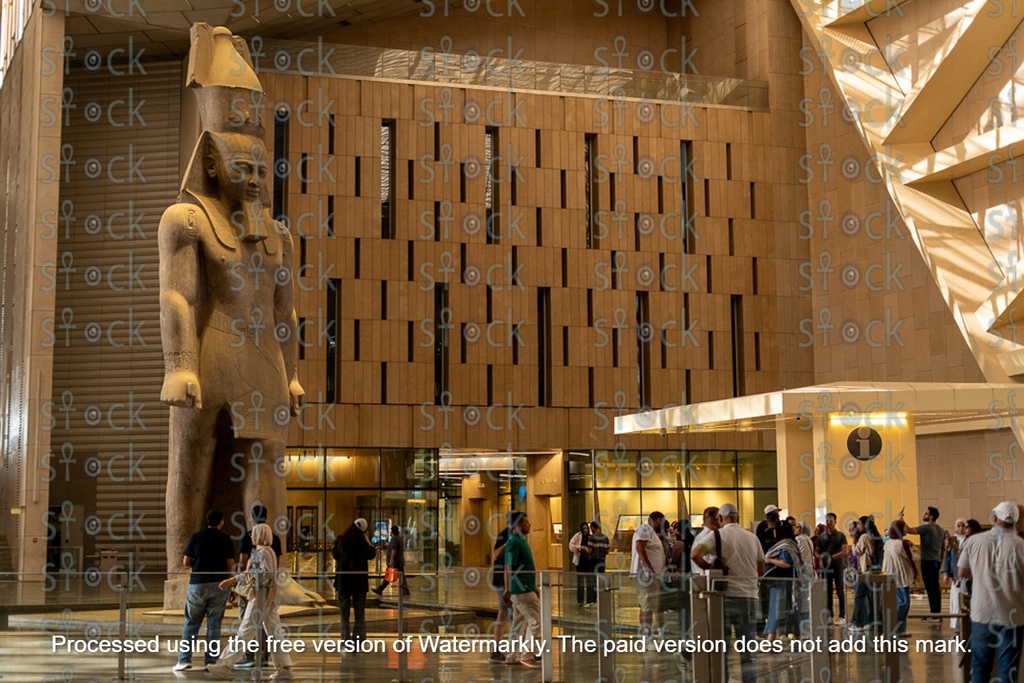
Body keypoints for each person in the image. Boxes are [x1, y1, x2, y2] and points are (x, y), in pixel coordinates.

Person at [159, 24, 305, 571]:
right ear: (213, 163)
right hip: (209, 351)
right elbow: (177, 296)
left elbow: (284, 311)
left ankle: (271, 565)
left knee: (268, 459)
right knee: (193, 457)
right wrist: (180, 365)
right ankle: (181, 568)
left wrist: (291, 373)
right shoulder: (187, 219)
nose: (255, 179)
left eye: (262, 170)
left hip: (264, 356)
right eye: (243, 167)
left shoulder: (278, 234)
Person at [692, 503, 764, 683]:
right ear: (738, 518)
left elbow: (695, 555)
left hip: (725, 598)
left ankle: (721, 679)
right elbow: (761, 570)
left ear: (721, 519)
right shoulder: (752, 538)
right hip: (749, 597)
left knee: (721, 648)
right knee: (748, 649)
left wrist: (709, 568)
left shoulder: (717, 535)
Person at [208, 523, 292, 681]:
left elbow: (259, 574)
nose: (251, 537)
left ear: (259, 535)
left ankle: (225, 664)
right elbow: (253, 572)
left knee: (246, 630)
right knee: (274, 633)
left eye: (253, 534)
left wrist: (233, 580)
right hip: (266, 596)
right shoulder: (266, 552)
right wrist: (232, 580)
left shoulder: (263, 553)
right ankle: (284, 667)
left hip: (261, 596)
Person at [958, 502, 1024, 682]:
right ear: (1016, 521)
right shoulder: (1021, 546)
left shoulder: (974, 541)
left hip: (982, 614)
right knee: (1008, 670)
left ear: (995, 518)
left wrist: (980, 574)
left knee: (980, 666)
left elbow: (962, 572)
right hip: (1012, 616)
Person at [174, 510, 236, 672]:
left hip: (197, 584)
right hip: (219, 584)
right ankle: (211, 660)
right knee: (214, 625)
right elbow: (230, 564)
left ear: (207, 521)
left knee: (192, 622)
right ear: (221, 521)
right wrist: (231, 585)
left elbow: (186, 561)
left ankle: (184, 660)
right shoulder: (225, 539)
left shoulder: (197, 536)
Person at [235, 504, 284, 670]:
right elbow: (277, 562)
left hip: (255, 587)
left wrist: (240, 581)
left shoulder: (251, 538)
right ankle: (264, 655)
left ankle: (248, 655)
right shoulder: (274, 538)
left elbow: (242, 562)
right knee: (266, 624)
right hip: (268, 587)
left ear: (252, 517)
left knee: (247, 622)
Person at [503, 512, 542, 668]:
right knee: (535, 622)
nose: (529, 524)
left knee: (518, 624)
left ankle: (512, 655)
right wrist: (508, 588)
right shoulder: (514, 542)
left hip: (524, 588)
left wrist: (533, 586)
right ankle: (527, 653)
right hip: (522, 590)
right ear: (518, 524)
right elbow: (508, 566)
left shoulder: (519, 541)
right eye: (526, 522)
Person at [332, 519, 377, 645]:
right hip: (359, 583)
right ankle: (359, 639)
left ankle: (346, 640)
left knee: (344, 615)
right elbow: (371, 554)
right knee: (360, 614)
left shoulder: (341, 540)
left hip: (343, 582)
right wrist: (369, 543)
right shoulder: (362, 542)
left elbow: (335, 555)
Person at [630, 511, 668, 639]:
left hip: (651, 576)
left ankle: (648, 635)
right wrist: (647, 566)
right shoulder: (645, 529)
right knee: (647, 607)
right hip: (647, 576)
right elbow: (640, 546)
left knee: (648, 606)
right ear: (658, 520)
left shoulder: (650, 532)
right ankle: (647, 637)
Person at [904, 506, 944, 622]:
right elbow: (943, 548)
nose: (924, 515)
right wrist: (940, 560)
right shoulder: (941, 530)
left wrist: (901, 519)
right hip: (936, 561)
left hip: (927, 561)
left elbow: (908, 530)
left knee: (930, 588)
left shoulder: (926, 528)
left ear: (931, 517)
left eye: (926, 513)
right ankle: (937, 613)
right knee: (935, 587)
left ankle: (935, 615)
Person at [487, 511, 518, 664]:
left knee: (505, 613)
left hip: (508, 579)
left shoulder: (516, 535)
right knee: (511, 613)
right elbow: (496, 555)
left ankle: (498, 649)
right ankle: (513, 651)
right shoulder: (505, 534)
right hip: (504, 580)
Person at [762, 520, 798, 642]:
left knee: (775, 609)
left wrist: (770, 560)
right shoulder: (791, 543)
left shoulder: (785, 545)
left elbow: (786, 563)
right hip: (786, 582)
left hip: (781, 583)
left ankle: (771, 638)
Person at [882, 519, 917, 638]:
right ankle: (894, 627)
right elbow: (914, 558)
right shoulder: (901, 544)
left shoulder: (888, 543)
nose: (906, 529)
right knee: (904, 604)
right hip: (900, 577)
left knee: (898, 603)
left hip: (889, 575)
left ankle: (899, 629)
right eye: (904, 527)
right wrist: (912, 546)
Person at [814, 512, 849, 625]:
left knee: (840, 591)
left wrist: (832, 557)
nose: (829, 523)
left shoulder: (840, 536)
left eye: (831, 520)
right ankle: (829, 615)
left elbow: (845, 551)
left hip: (838, 566)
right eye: (827, 520)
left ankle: (842, 615)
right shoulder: (821, 537)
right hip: (826, 567)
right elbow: (816, 551)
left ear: (835, 522)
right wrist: (820, 557)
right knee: (827, 591)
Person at [850, 515, 879, 633]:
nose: (858, 526)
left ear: (865, 525)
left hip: (866, 569)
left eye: (860, 524)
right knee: (868, 597)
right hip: (871, 568)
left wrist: (853, 541)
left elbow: (856, 551)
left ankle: (859, 623)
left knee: (859, 596)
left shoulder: (864, 537)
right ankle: (868, 622)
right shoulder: (873, 535)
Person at [942, 518, 966, 634]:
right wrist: (945, 573)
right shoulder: (952, 541)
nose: (961, 528)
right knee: (956, 602)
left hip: (966, 576)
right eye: (959, 526)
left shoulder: (969, 539)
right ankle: (957, 627)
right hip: (956, 577)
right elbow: (947, 558)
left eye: (963, 525)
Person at [372, 526, 410, 597]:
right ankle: (405, 590)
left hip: (395, 562)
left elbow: (393, 550)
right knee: (401, 576)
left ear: (392, 532)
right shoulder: (399, 538)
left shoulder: (394, 539)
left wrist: (391, 559)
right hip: (399, 561)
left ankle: (380, 589)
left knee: (389, 575)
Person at [568, 522, 594, 606]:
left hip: (589, 562)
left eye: (586, 528)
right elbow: (571, 545)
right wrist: (579, 547)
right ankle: (580, 601)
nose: (585, 530)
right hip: (580, 562)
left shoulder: (591, 537)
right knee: (580, 582)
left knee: (589, 581)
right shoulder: (577, 536)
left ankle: (590, 600)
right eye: (583, 529)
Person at [587, 521, 610, 597]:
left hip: (594, 561)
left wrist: (584, 548)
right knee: (601, 579)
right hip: (602, 560)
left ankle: (593, 598)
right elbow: (607, 551)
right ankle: (601, 596)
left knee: (593, 580)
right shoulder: (605, 538)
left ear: (593, 528)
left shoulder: (592, 537)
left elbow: (589, 550)